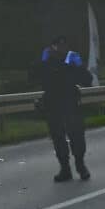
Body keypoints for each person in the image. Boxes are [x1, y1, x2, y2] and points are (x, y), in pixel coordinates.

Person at [36, 36, 94, 182]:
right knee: (58, 137)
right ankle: (65, 168)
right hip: (53, 105)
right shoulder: (47, 62)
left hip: (71, 104)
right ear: (52, 47)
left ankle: (80, 166)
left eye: (64, 46)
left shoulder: (72, 62)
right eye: (58, 46)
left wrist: (80, 66)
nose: (61, 49)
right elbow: (35, 79)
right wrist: (41, 63)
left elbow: (87, 81)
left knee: (77, 136)